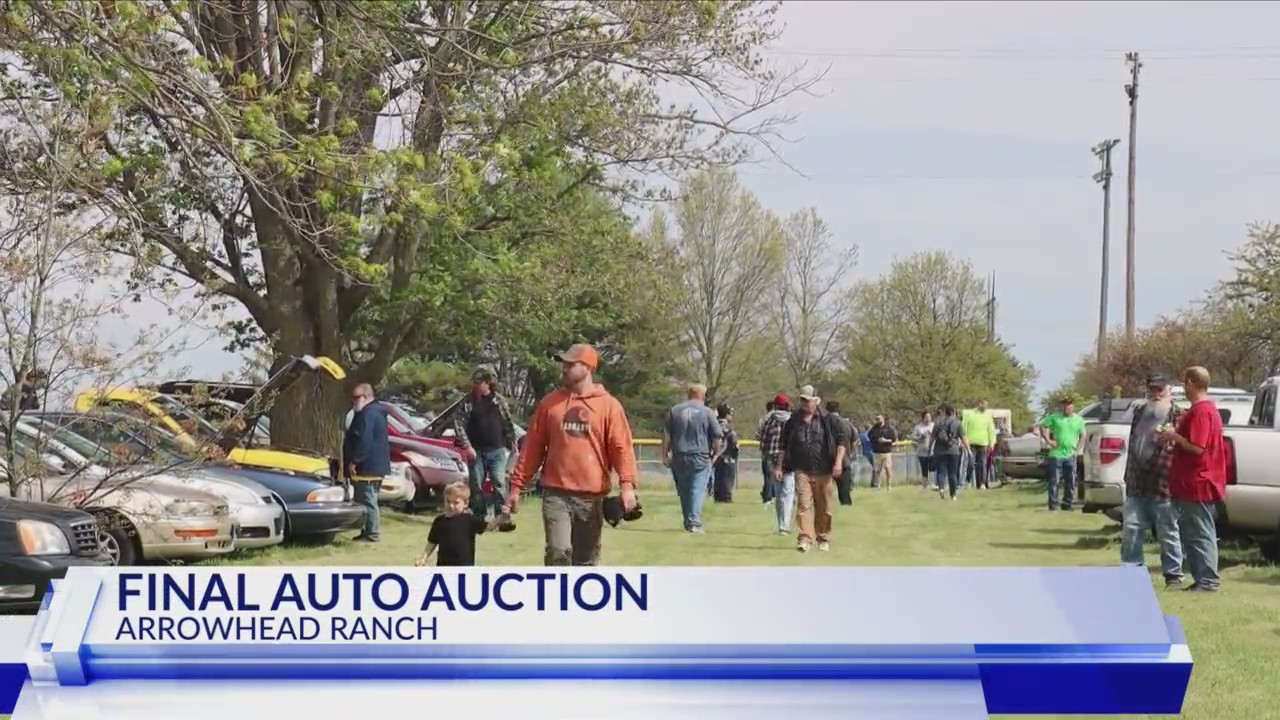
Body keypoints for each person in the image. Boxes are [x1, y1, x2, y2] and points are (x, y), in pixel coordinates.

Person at [506, 343, 638, 565]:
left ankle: (580, 599)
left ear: (587, 367)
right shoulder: (550, 404)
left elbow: (621, 448)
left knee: (584, 562)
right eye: (563, 363)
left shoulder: (608, 406)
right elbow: (532, 449)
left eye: (570, 364)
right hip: (556, 494)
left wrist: (627, 486)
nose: (564, 368)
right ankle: (555, 598)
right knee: (558, 553)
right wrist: (517, 488)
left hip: (592, 497)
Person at [1159, 366, 1228, 592]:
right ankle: (1201, 579)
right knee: (1192, 532)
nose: (1182, 386)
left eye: (1184, 382)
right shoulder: (1203, 410)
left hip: (1199, 481)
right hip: (1191, 483)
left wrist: (1174, 436)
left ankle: (1208, 581)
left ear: (1191, 383)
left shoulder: (1201, 411)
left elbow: (1198, 448)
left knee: (1201, 533)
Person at [1120, 374, 1185, 589]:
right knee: (1132, 530)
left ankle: (1173, 576)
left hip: (1162, 482)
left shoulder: (1178, 415)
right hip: (1136, 481)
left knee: (1167, 531)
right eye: (1152, 389)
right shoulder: (1140, 412)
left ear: (1169, 390)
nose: (1156, 394)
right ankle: (1132, 573)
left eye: (1160, 389)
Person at [778, 385, 848, 553]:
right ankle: (805, 538)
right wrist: (779, 466)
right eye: (802, 400)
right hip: (802, 470)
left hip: (824, 470)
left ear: (816, 401)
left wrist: (838, 463)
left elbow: (842, 442)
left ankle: (822, 537)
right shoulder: (793, 421)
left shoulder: (829, 420)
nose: (804, 403)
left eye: (807, 400)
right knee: (803, 504)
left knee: (824, 507)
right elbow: (783, 445)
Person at [452, 368, 518, 527]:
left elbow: (507, 423)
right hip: (476, 450)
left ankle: (502, 518)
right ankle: (478, 518)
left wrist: (513, 444)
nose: (475, 386)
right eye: (474, 383)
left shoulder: (498, 401)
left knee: (500, 483)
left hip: (497, 450)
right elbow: (458, 424)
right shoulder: (467, 402)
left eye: (479, 383)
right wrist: (467, 447)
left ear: (487, 383)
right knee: (476, 485)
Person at [661, 384, 722, 533]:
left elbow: (666, 435)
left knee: (684, 490)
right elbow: (717, 437)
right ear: (703, 395)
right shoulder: (707, 412)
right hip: (700, 456)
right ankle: (694, 522)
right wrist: (715, 454)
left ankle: (688, 521)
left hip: (679, 455)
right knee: (697, 489)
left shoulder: (674, 410)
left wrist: (664, 454)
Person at [415, 482, 504, 567]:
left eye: (456, 502)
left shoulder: (469, 520)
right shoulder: (439, 522)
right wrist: (424, 558)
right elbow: (432, 543)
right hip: (443, 568)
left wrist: (500, 519)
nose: (451, 505)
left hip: (464, 569)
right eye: (448, 501)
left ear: (465, 503)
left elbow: (488, 527)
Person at [344, 383, 390, 543]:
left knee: (368, 499)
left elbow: (364, 440)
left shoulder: (368, 414)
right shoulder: (374, 412)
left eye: (356, 397)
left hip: (368, 466)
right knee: (367, 499)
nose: (353, 401)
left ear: (367, 396)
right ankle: (367, 531)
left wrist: (355, 461)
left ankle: (372, 533)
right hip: (373, 465)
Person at [1038, 396, 1087, 511]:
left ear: (1073, 406)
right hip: (1056, 454)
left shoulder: (1079, 420)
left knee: (1070, 481)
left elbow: (1083, 435)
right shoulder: (1055, 418)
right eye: (1064, 405)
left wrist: (1077, 450)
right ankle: (1053, 505)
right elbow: (1042, 426)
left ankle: (1067, 504)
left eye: (1068, 405)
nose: (1066, 407)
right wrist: (1049, 441)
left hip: (1071, 455)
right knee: (1055, 481)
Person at [758, 394, 795, 534]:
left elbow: (762, 439)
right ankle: (784, 525)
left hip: (772, 458)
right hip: (788, 458)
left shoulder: (769, 420)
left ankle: (780, 523)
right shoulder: (792, 420)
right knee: (788, 491)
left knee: (779, 493)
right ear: (787, 405)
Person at [932, 405, 966, 500]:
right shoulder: (957, 423)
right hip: (953, 450)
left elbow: (932, 437)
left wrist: (929, 448)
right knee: (953, 473)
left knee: (941, 472)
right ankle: (953, 494)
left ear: (945, 412)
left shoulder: (938, 423)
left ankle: (941, 488)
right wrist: (968, 449)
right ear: (954, 412)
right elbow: (963, 438)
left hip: (939, 451)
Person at [962, 400, 997, 490]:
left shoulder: (988, 416)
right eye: (984, 405)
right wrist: (963, 440)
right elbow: (963, 427)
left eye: (987, 406)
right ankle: (968, 480)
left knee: (982, 464)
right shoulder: (969, 414)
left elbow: (991, 430)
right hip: (971, 443)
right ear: (979, 404)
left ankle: (981, 483)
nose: (985, 407)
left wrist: (992, 443)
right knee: (970, 462)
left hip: (983, 443)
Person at [826, 401, 855, 506]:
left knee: (825, 490)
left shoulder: (822, 422)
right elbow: (854, 438)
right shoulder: (846, 423)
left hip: (825, 459)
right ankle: (845, 505)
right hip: (843, 459)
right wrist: (850, 451)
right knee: (844, 490)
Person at [712, 403, 739, 503]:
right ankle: (726, 497)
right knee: (728, 478)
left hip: (715, 456)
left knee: (718, 478)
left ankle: (718, 496)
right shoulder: (728, 428)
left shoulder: (714, 425)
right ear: (726, 415)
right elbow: (734, 442)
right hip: (727, 457)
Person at [868, 415, 898, 490]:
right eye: (877, 419)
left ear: (883, 419)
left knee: (888, 468)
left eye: (879, 419)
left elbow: (893, 439)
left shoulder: (889, 428)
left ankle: (889, 485)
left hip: (886, 452)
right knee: (878, 469)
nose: (878, 420)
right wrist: (875, 441)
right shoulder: (874, 428)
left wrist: (885, 440)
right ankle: (878, 485)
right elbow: (870, 436)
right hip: (877, 452)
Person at [757, 400, 777, 503]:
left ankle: (767, 493)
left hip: (765, 449)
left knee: (767, 474)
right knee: (772, 474)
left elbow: (758, 435)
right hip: (776, 450)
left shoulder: (762, 420)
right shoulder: (775, 419)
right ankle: (770, 495)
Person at [913, 410, 935, 489]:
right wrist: (921, 436)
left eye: (929, 417)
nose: (928, 419)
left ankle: (932, 484)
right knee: (924, 469)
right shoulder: (918, 427)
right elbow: (914, 438)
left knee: (932, 468)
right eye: (926, 417)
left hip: (932, 451)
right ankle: (924, 486)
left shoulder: (934, 426)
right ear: (923, 418)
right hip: (922, 451)